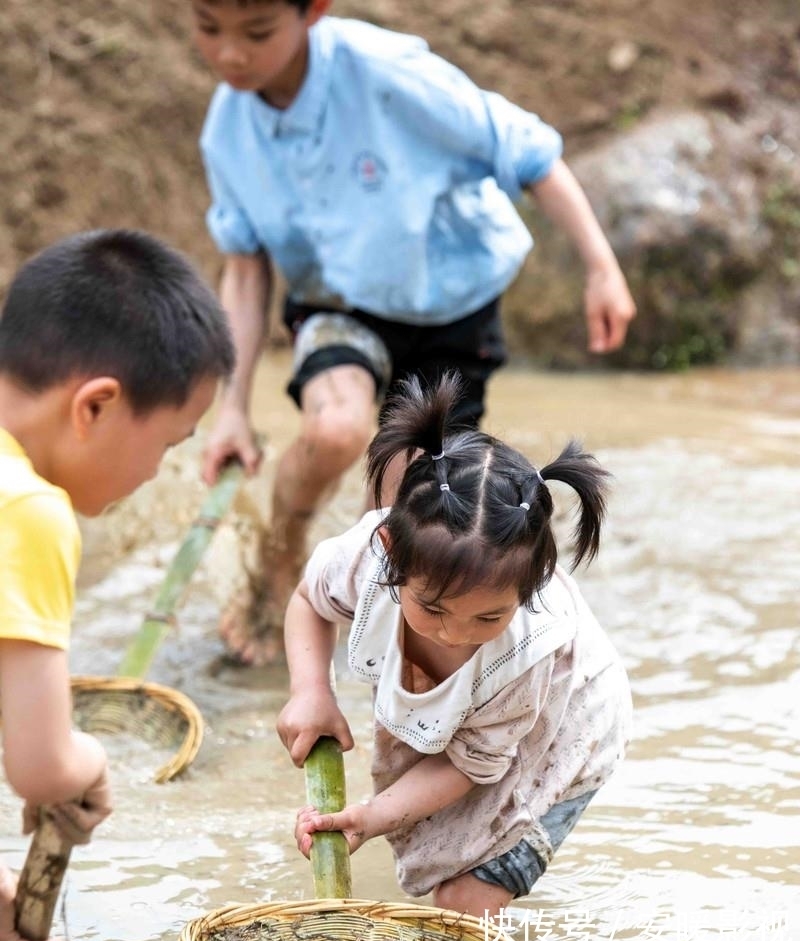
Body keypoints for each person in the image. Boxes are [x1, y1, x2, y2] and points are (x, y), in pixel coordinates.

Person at [193, 0, 637, 665]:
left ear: (313, 11)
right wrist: (231, 408)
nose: (231, 54)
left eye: (256, 34)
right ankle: (280, 564)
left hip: (448, 307)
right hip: (336, 302)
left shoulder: (392, 77)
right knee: (336, 429)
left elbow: (528, 151)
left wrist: (602, 267)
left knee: (407, 507)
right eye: (208, 28)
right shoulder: (228, 130)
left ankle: (399, 653)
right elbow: (246, 269)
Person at [277, 371, 632, 918]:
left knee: (461, 903)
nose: (455, 633)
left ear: (533, 583)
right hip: (479, 727)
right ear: (391, 551)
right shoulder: (367, 561)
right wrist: (310, 691)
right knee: (436, 851)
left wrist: (371, 817)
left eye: (487, 615)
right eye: (433, 608)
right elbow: (308, 601)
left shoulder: (526, 652)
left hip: (566, 726)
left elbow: (468, 764)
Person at [0, 229, 234, 941]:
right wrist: (89, 762)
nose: (159, 469)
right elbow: (41, 768)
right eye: (168, 442)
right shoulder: (27, 511)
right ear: (94, 406)